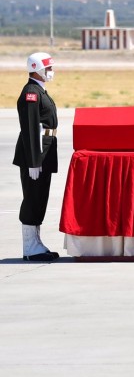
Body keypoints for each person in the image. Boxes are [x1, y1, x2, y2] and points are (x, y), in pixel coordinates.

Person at [13, 52, 61, 261]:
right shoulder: (31, 93)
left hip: (44, 151)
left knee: (40, 198)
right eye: (48, 68)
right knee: (33, 198)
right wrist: (34, 161)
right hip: (35, 155)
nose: (51, 72)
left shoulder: (40, 91)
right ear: (37, 69)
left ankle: (36, 244)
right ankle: (30, 248)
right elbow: (31, 128)